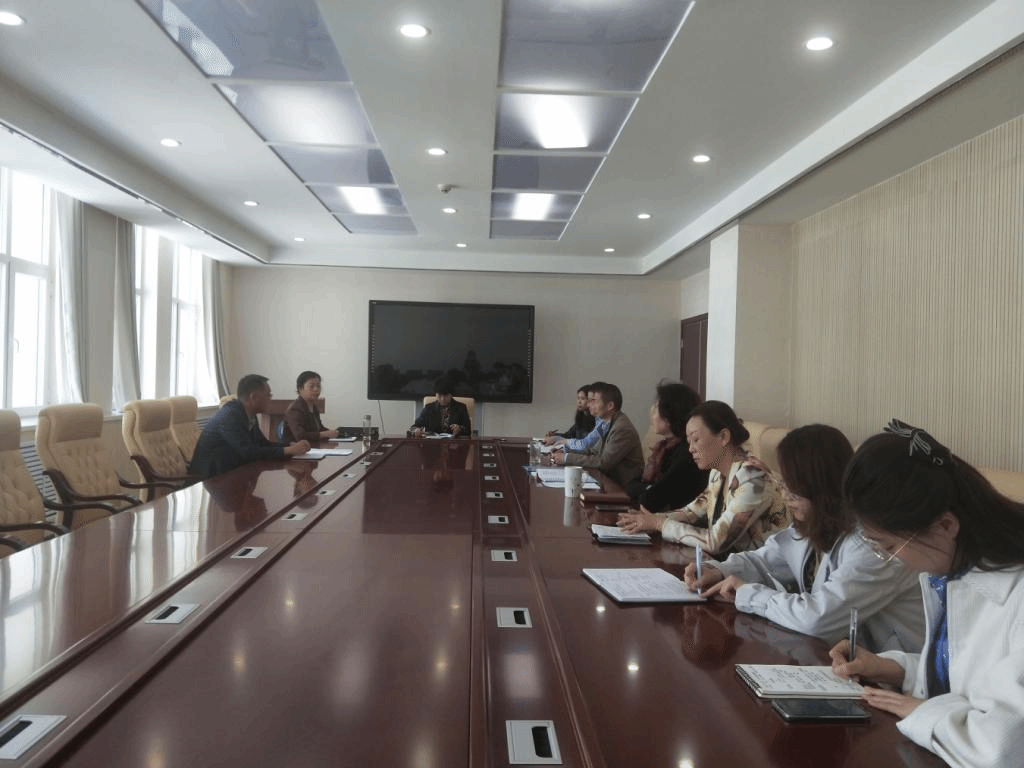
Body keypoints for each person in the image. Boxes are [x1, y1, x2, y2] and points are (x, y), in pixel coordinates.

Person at [829, 419, 1024, 768]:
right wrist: (892, 668)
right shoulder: (955, 572)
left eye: (890, 546)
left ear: (946, 526)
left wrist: (923, 711)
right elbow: (969, 672)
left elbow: (1003, 748)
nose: (891, 559)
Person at [684, 424, 924, 652]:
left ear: (820, 486)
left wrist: (748, 594)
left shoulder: (875, 544)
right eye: (784, 484)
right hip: (842, 657)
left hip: (893, 670)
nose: (785, 496)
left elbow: (817, 619)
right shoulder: (819, 522)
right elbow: (766, 561)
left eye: (793, 488)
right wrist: (719, 571)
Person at [617, 400, 789, 555]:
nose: (690, 449)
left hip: (763, 575)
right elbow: (691, 512)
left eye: (696, 439)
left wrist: (659, 524)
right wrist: (648, 519)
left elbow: (716, 541)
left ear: (724, 437)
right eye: (689, 441)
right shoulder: (717, 474)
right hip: (729, 568)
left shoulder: (752, 477)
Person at [189, 374, 310, 478]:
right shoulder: (230, 416)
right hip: (210, 478)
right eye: (268, 395)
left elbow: (262, 444)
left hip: (231, 473)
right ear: (253, 397)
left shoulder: (248, 413)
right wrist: (287, 450)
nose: (270, 399)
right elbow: (248, 453)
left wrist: (290, 446)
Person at [625, 382, 709, 512]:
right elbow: (630, 485)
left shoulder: (687, 451)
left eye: (656, 408)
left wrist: (648, 488)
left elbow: (650, 500)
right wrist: (649, 488)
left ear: (671, 414)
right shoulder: (664, 448)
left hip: (678, 519)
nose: (651, 414)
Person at [552, 382, 643, 488]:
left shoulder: (621, 428)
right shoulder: (604, 422)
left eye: (593, 401)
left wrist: (567, 458)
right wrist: (567, 451)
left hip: (622, 487)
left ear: (610, 406)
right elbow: (593, 450)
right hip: (605, 479)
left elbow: (604, 461)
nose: (588, 405)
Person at [282, 370, 339, 443]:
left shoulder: (314, 407)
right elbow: (300, 436)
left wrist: (333, 433)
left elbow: (319, 429)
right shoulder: (295, 409)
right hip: (297, 448)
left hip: (313, 446)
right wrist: (324, 434)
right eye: (311, 386)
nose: (316, 389)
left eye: (318, 386)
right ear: (300, 389)